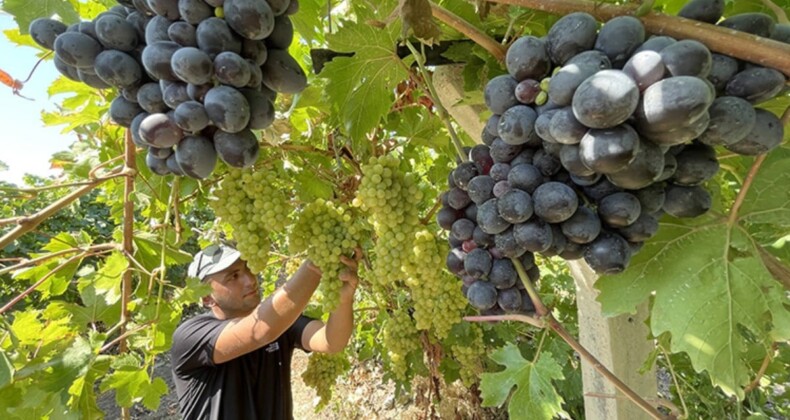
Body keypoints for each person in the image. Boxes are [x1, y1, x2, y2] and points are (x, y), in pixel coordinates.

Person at [171, 244, 359, 420]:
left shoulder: (279, 322)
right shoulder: (190, 336)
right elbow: (259, 330)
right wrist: (318, 258)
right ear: (206, 297)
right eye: (233, 277)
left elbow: (331, 342)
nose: (250, 280)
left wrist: (343, 301)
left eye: (247, 268)